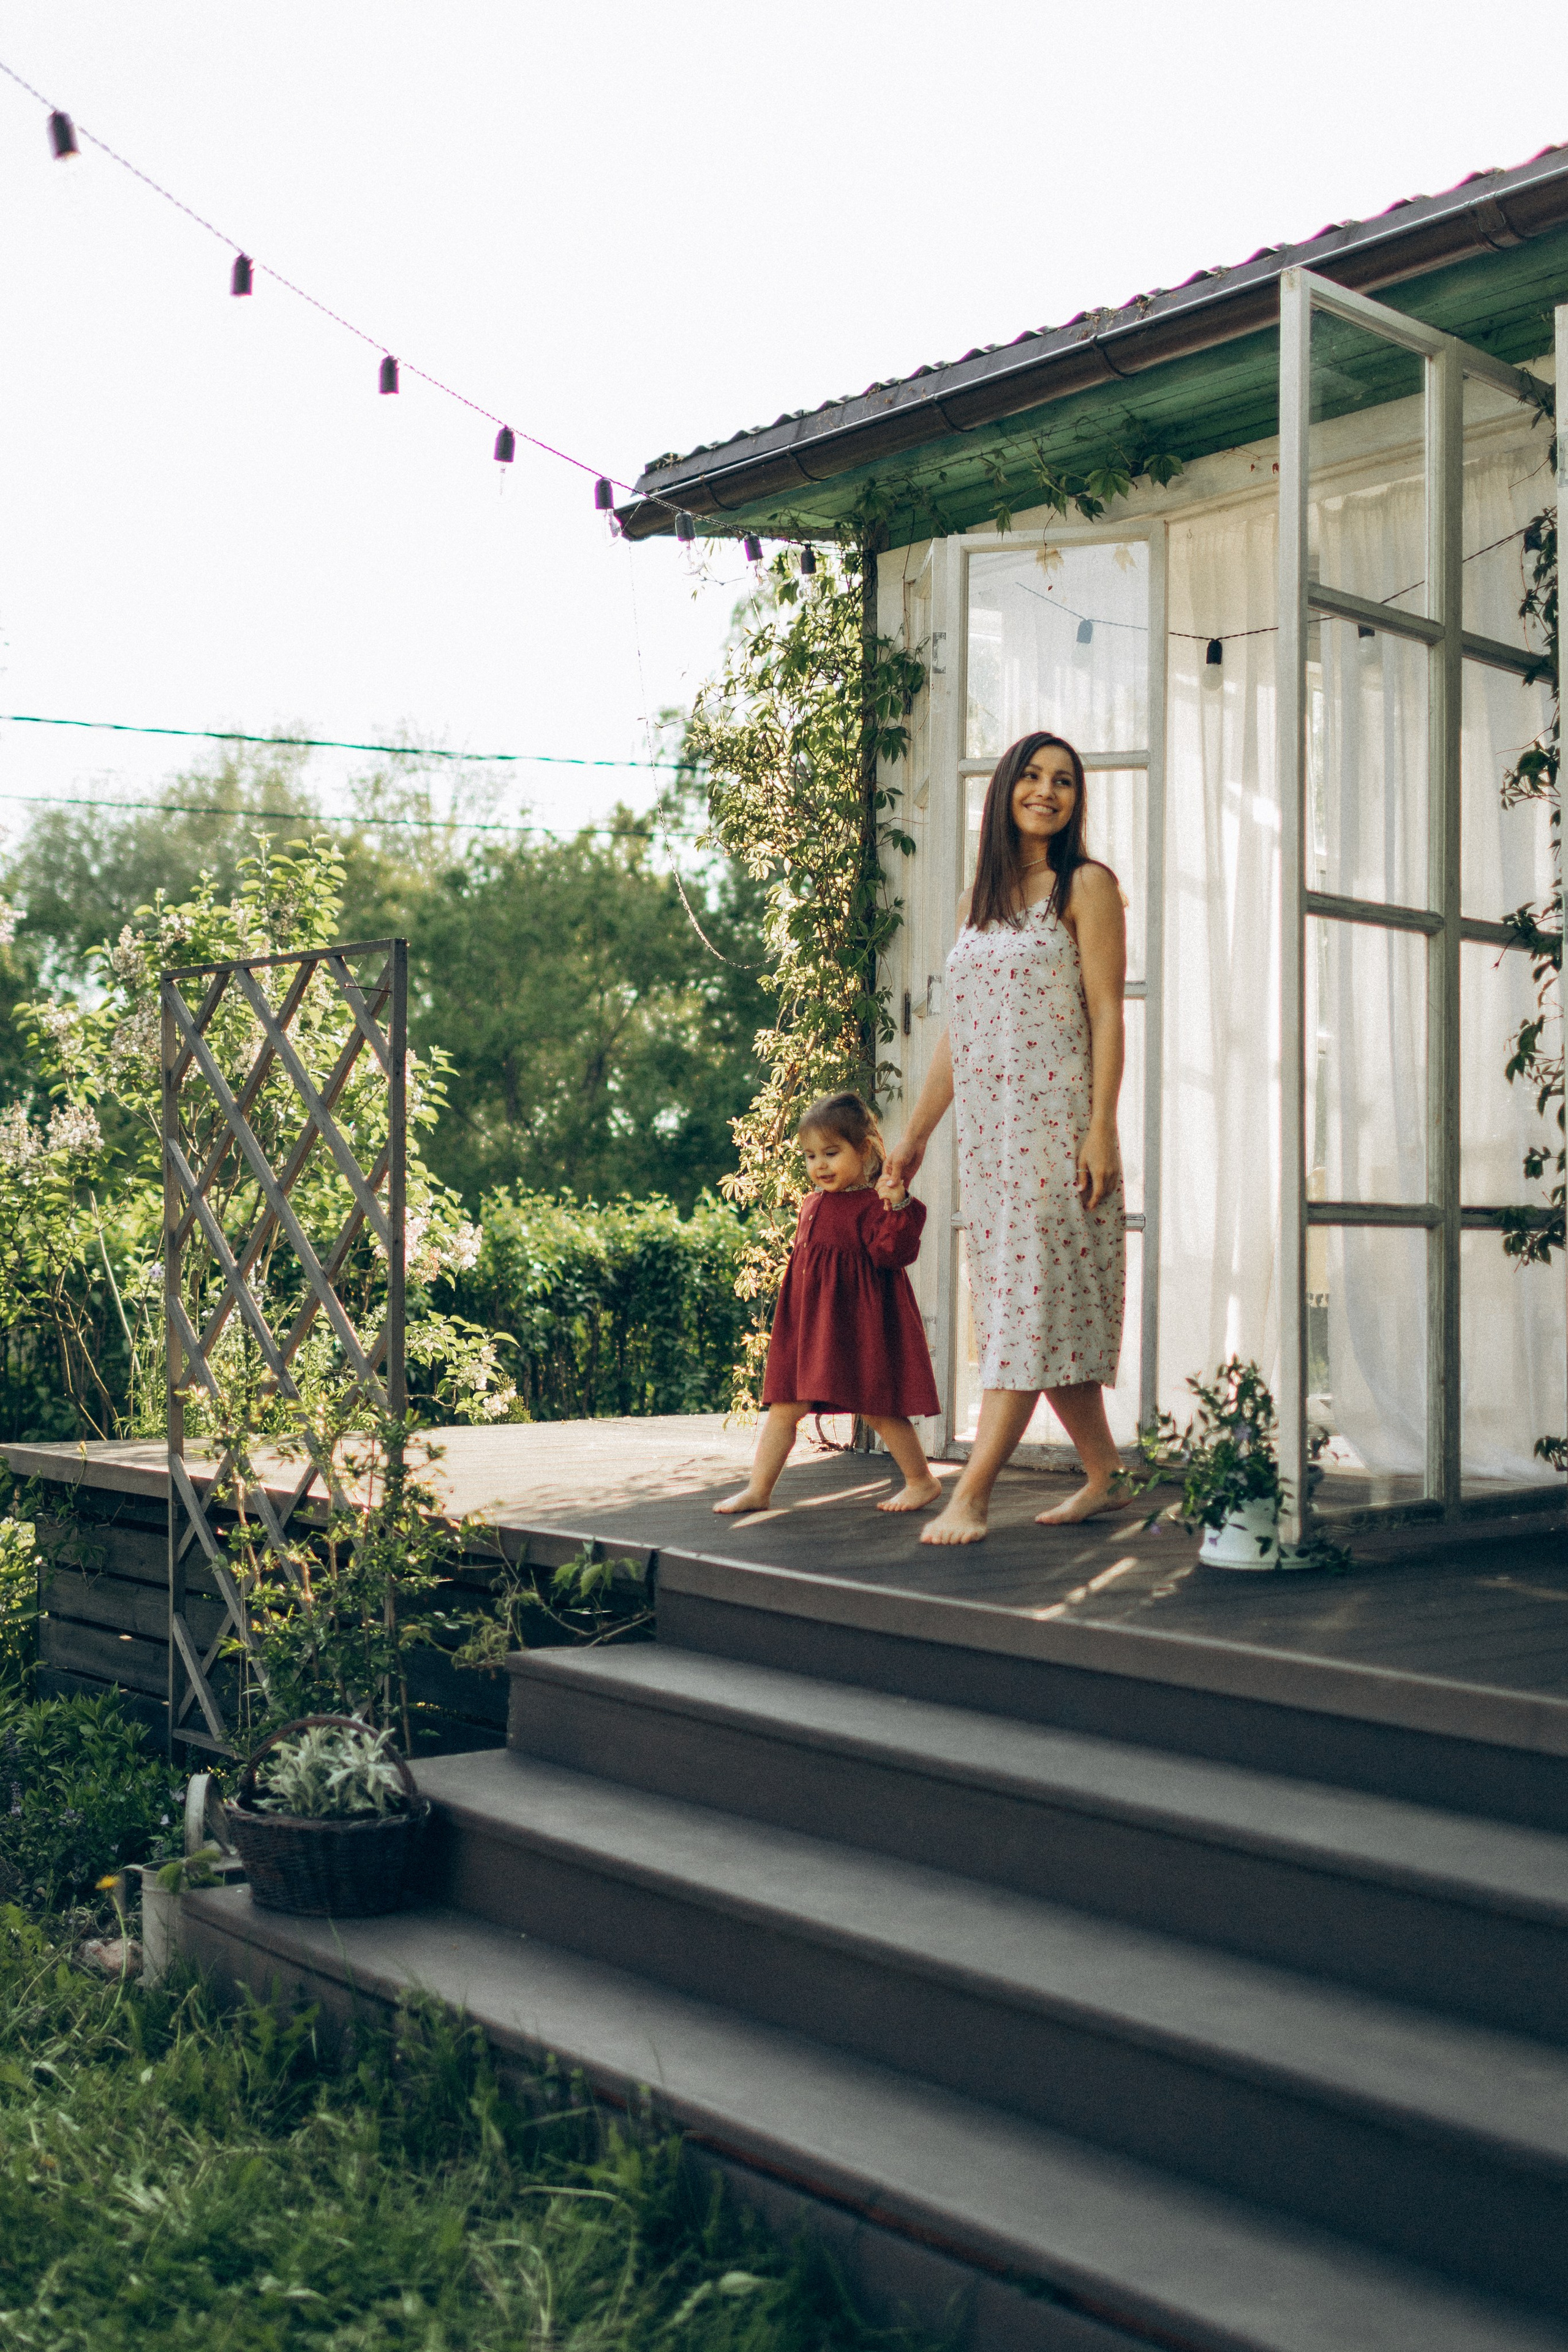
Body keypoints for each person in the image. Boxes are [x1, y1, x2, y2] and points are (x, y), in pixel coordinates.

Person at [883, 731, 1127, 1545]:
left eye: (1063, 781)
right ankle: (1107, 1476)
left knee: (1029, 1314)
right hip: (991, 1143)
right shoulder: (977, 905)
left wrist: (1101, 1129)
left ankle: (973, 1493)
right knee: (1036, 1312)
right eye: (1032, 776)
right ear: (1005, 790)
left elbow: (1108, 1013)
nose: (1047, 792)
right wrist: (915, 1137)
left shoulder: (1085, 887)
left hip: (1057, 1134)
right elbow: (960, 1033)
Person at [714, 1090, 943, 1518]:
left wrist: (897, 1205)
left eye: (831, 1153)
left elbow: (893, 1254)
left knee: (877, 1408)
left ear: (865, 1150)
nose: (819, 1165)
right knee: (786, 1406)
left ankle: (921, 1480)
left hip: (857, 1326)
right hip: (812, 1327)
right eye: (810, 1156)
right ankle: (759, 1490)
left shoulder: (873, 1205)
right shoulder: (811, 1204)